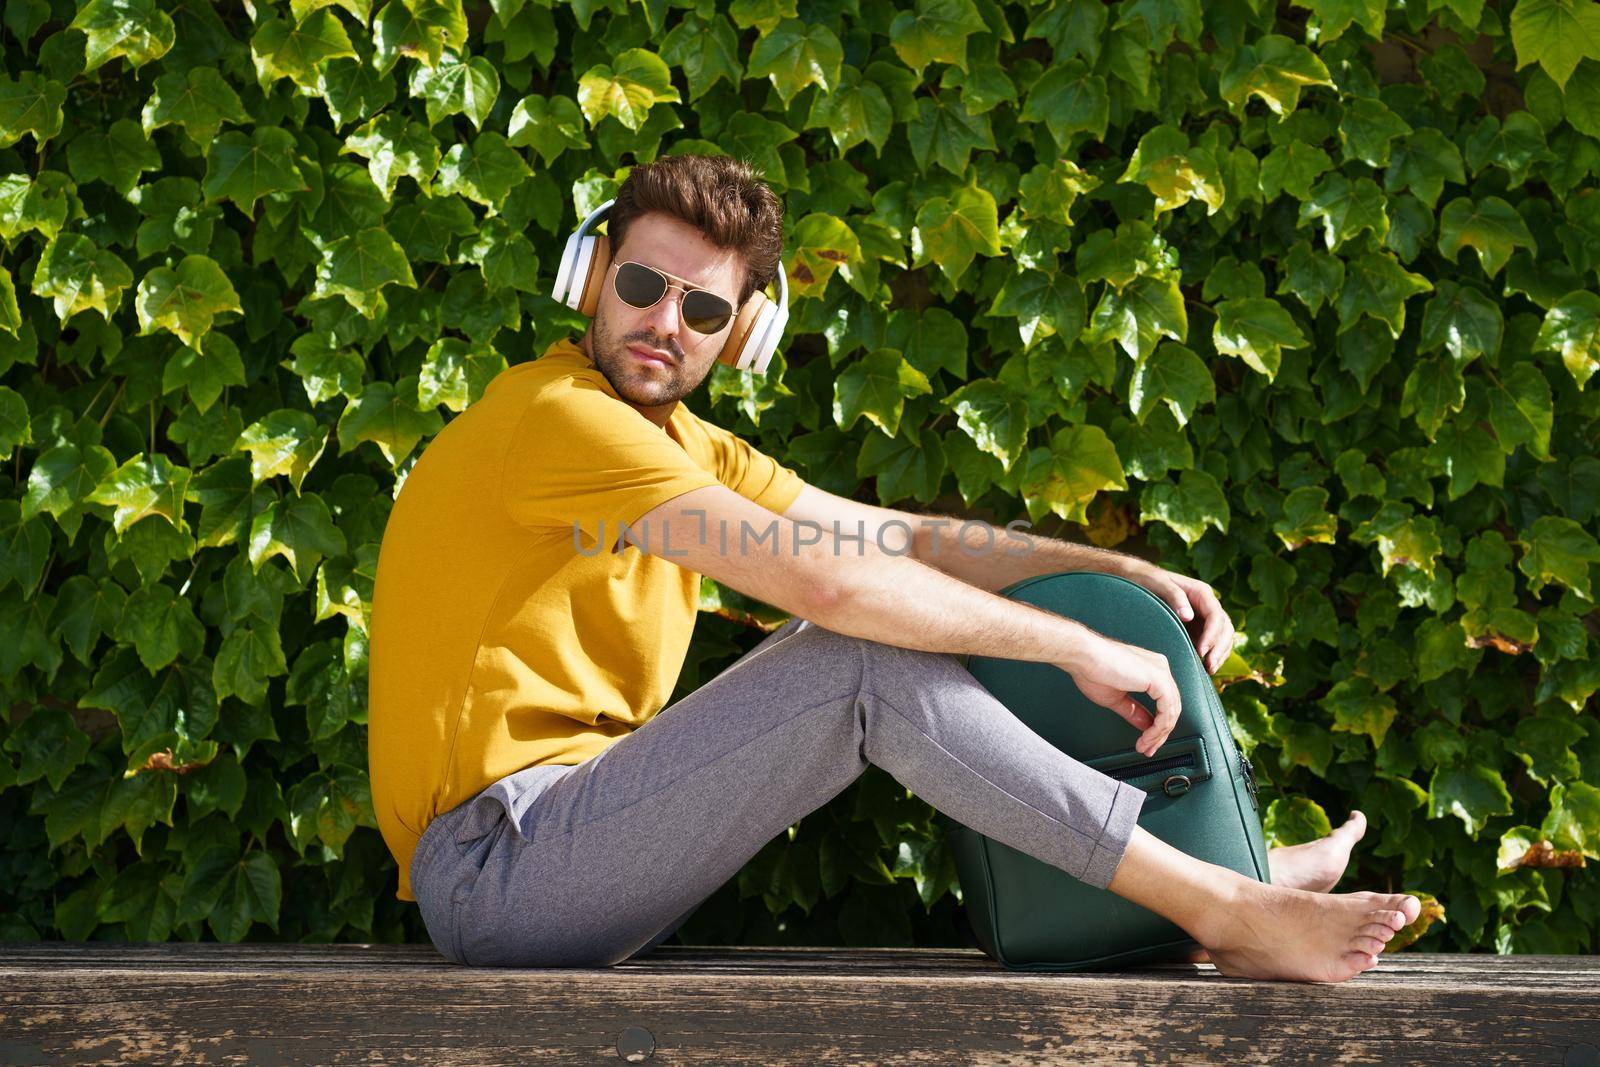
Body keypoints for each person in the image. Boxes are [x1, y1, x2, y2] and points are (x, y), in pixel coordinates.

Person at [368, 154, 1420, 983]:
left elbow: (891, 540)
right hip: (497, 869)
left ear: (743, 333)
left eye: (702, 307)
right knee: (856, 656)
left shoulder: (688, 446)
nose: (662, 321)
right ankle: (1222, 904)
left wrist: (1109, 567)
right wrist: (1071, 642)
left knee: (861, 640)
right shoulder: (558, 420)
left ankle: (1209, 878)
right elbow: (834, 587)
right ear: (590, 277)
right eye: (642, 284)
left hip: (573, 831)